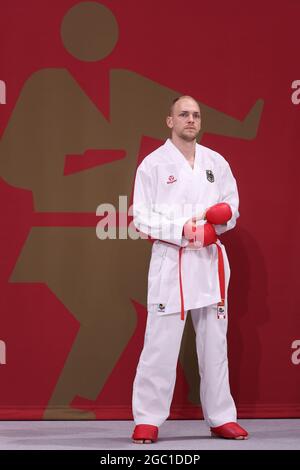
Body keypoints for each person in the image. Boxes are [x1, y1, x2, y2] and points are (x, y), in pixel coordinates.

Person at [131, 95, 248, 443]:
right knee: (159, 344)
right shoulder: (153, 165)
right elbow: (141, 216)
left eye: (195, 115)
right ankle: (148, 418)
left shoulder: (216, 162)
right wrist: (182, 228)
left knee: (215, 345)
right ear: (170, 121)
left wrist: (219, 224)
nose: (191, 120)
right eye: (183, 114)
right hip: (172, 261)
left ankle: (222, 417)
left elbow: (232, 206)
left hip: (209, 261)